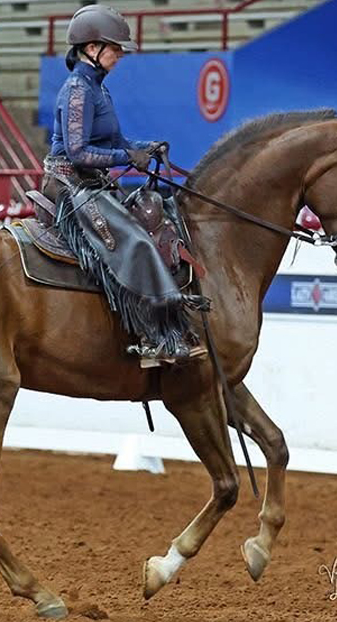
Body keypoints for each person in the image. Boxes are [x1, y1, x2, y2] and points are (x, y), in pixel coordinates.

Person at [42, 4, 208, 366]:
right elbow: (78, 152)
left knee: (157, 223)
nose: (119, 55)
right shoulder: (77, 90)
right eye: (114, 48)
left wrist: (142, 148)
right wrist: (125, 158)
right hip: (70, 187)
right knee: (134, 242)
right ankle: (155, 335)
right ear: (91, 49)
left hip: (93, 183)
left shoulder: (98, 89)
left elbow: (112, 141)